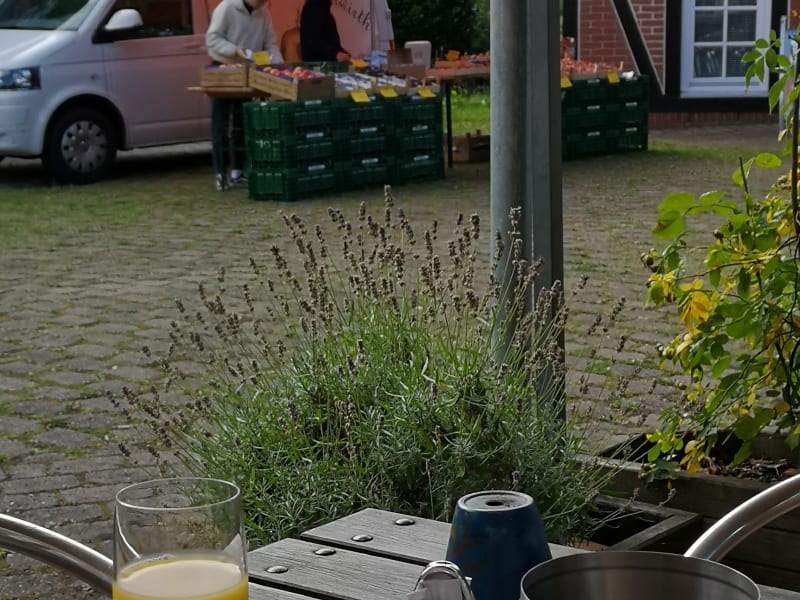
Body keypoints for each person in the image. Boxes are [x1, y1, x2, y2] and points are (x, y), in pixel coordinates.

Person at [206, 0, 283, 191]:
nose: (263, 2)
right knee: (221, 122)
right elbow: (212, 38)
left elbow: (270, 43)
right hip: (223, 68)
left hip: (247, 70)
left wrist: (278, 64)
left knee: (241, 121)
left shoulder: (263, 14)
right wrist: (235, 50)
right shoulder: (227, 7)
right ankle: (220, 173)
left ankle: (237, 172)